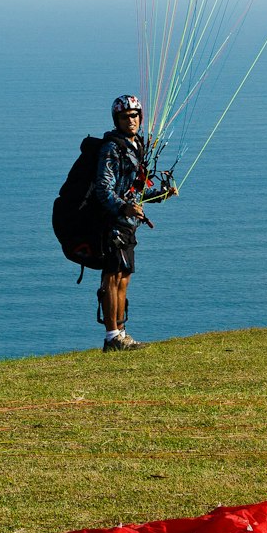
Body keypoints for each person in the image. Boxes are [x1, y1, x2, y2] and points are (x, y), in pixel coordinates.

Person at [95, 93, 176, 353]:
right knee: (112, 277)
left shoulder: (136, 145)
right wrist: (122, 207)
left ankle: (121, 333)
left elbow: (135, 190)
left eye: (133, 116)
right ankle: (111, 337)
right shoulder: (111, 148)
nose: (130, 120)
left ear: (140, 117)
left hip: (128, 222)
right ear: (116, 120)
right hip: (111, 221)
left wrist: (162, 194)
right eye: (124, 117)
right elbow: (103, 188)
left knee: (124, 277)